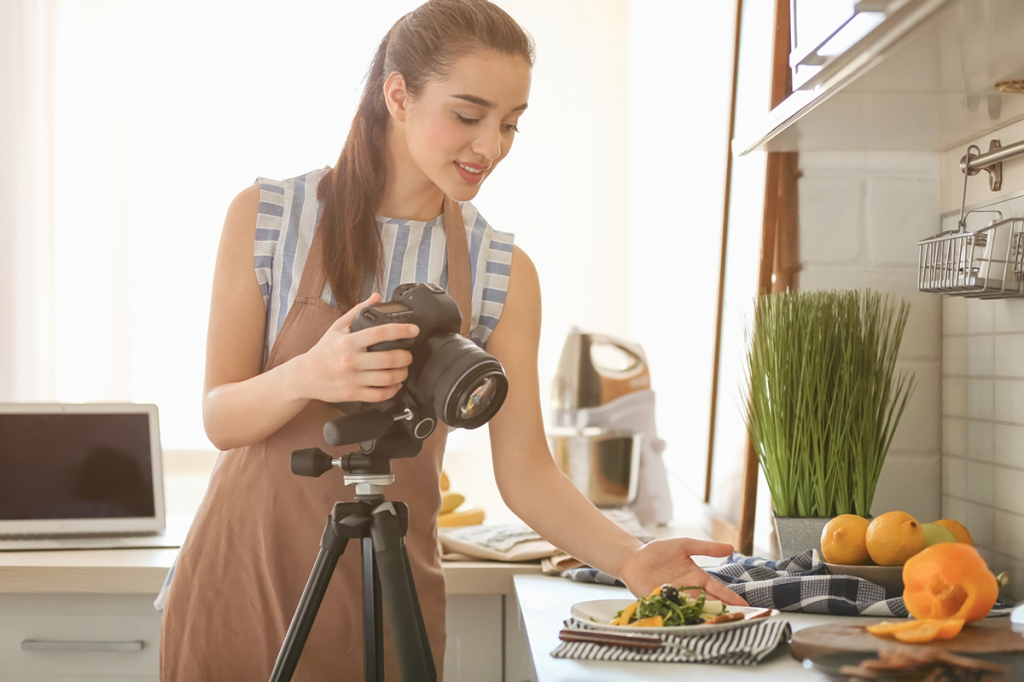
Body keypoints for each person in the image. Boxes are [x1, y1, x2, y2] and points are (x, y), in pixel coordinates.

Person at [159, 1, 747, 679]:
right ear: (398, 95)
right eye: (468, 116)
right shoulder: (270, 216)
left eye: (510, 124)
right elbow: (220, 417)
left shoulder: (502, 270)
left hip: (390, 585)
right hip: (243, 583)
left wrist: (629, 556)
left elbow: (526, 471)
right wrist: (308, 375)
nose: (490, 147)